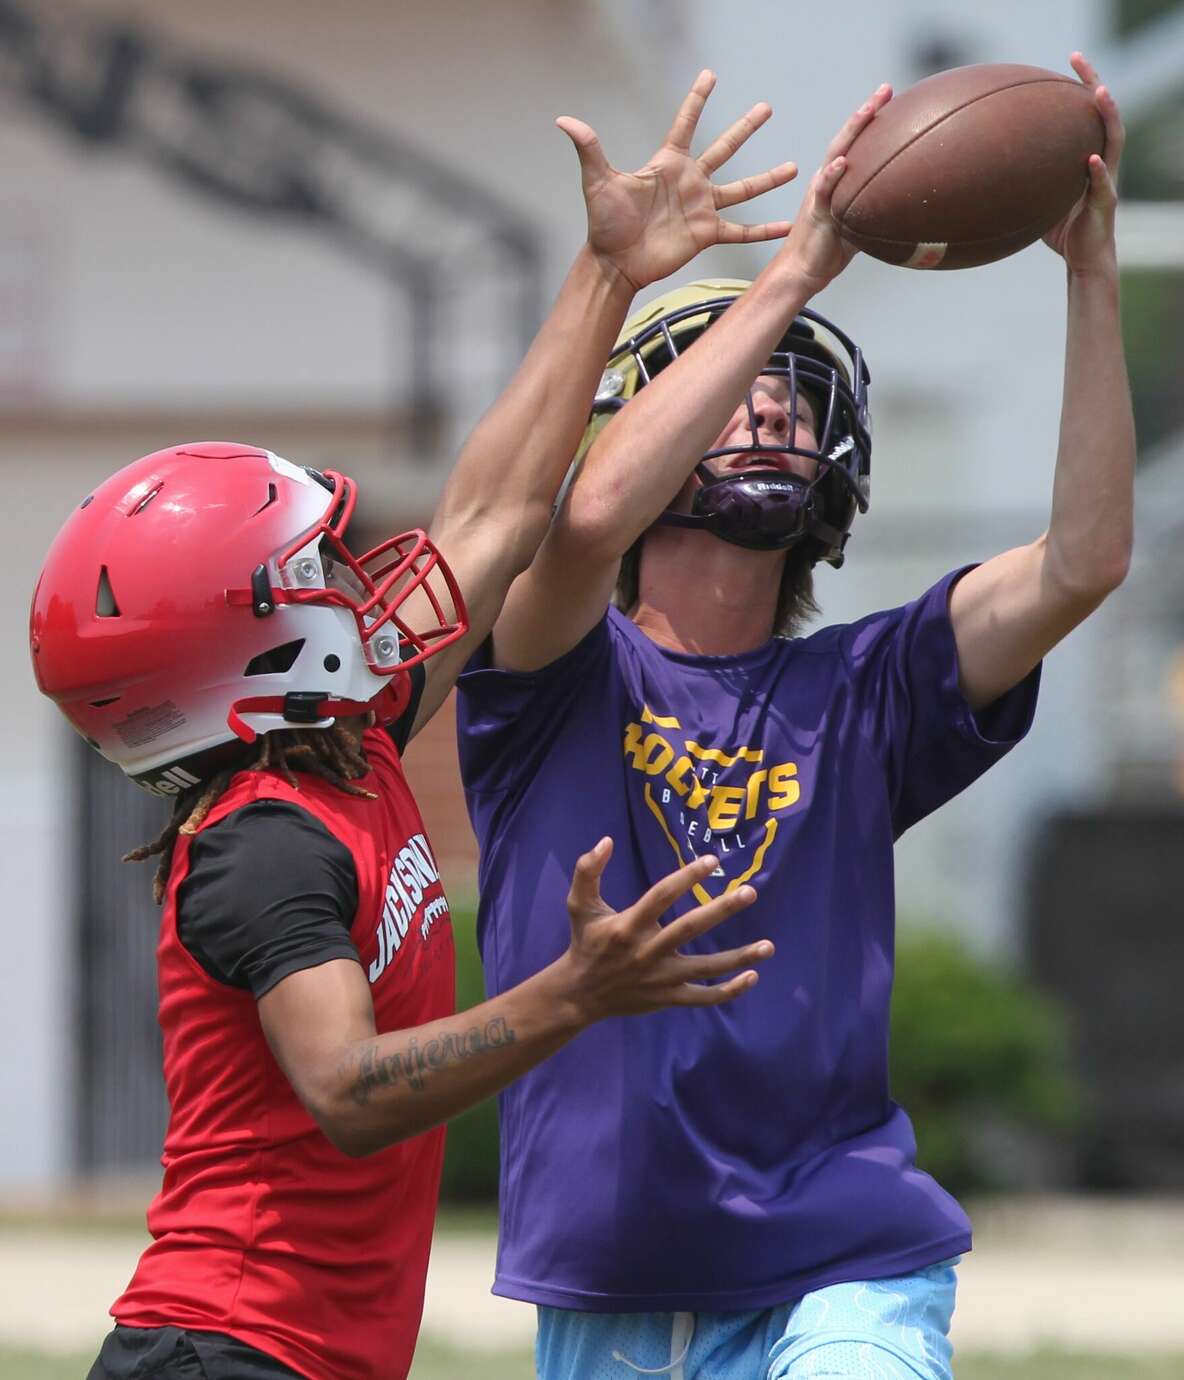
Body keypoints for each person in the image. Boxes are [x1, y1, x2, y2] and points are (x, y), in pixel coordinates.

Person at [29, 72, 794, 1380]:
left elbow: (494, 517)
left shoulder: (353, 730)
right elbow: (347, 1089)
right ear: (247, 639)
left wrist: (607, 275)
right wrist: (572, 993)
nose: (352, 579)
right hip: (227, 1356)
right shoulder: (263, 842)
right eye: (311, 573)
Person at [456, 54, 1131, 1380]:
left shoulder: (869, 687)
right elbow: (586, 520)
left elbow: (1084, 562)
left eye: (787, 386)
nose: (765, 397)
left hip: (844, 1254)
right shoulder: (551, 675)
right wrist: (797, 272)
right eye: (728, 378)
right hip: (611, 1270)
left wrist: (1088, 277)